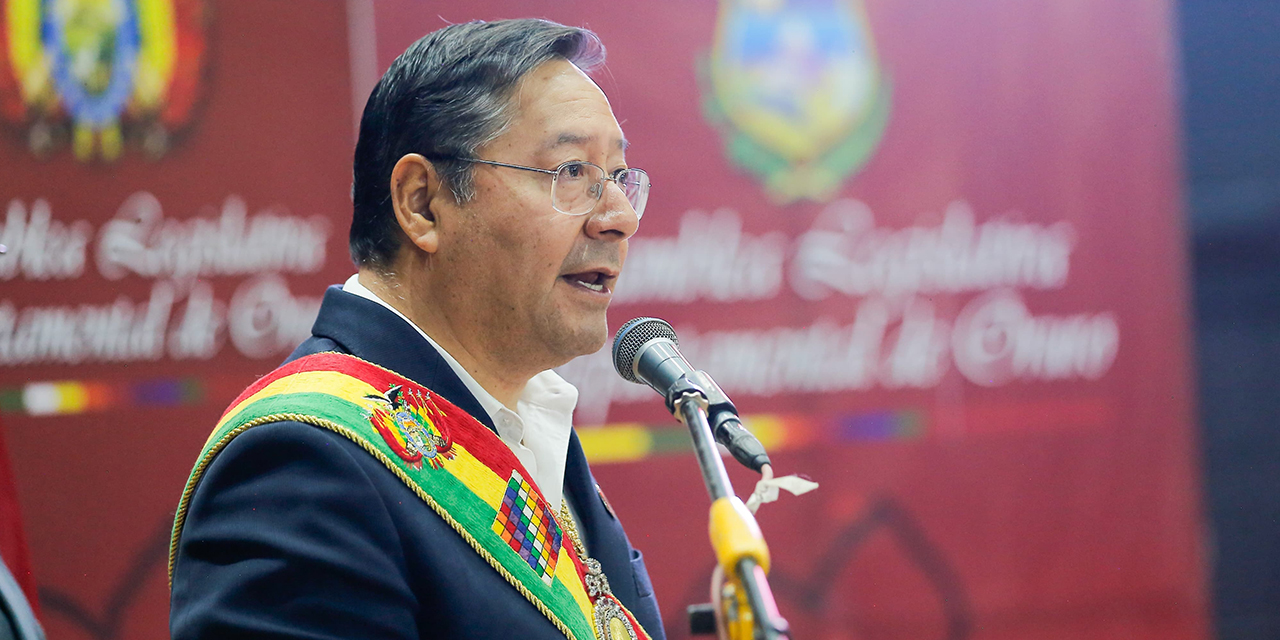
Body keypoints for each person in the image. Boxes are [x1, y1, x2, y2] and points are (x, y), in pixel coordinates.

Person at [169, 19, 663, 640]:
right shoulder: (305, 462)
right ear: (422, 203)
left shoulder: (531, 428)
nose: (619, 218)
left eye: (618, 177)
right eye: (570, 172)